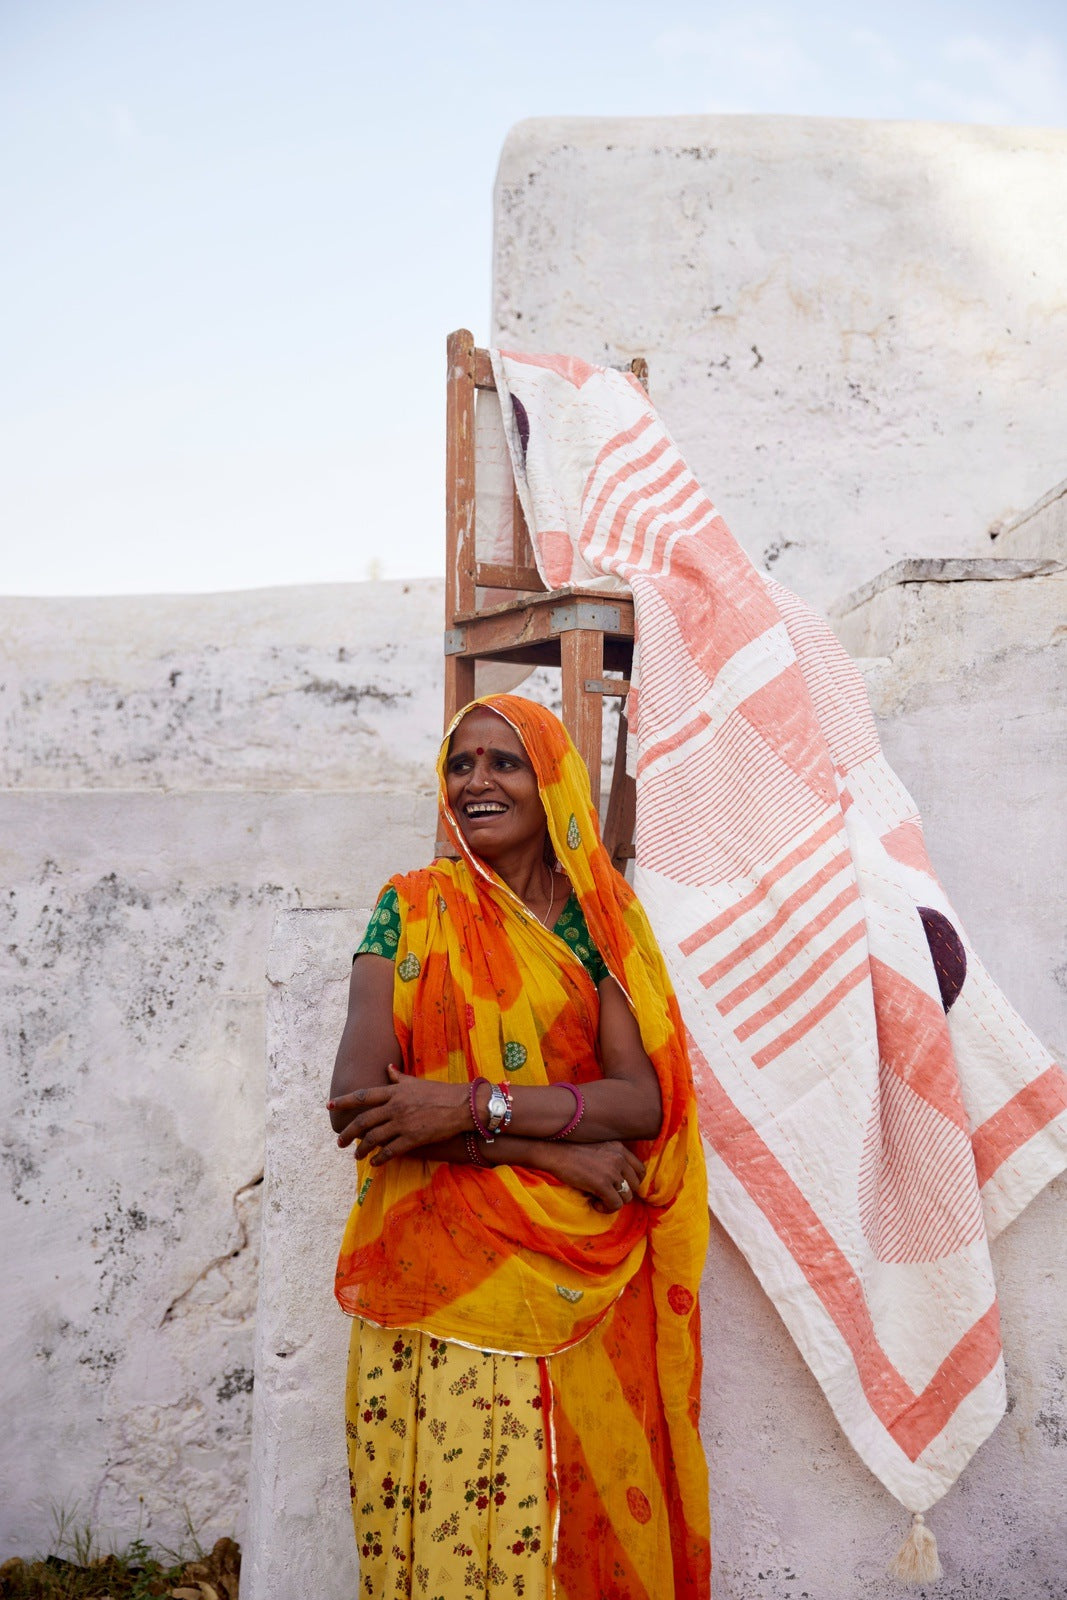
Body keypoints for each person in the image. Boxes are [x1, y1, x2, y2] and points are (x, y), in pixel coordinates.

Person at [329, 693, 711, 1600]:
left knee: (566, 1530)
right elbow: (360, 1104)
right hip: (432, 1276)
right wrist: (540, 1151)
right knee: (447, 1534)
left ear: (550, 783)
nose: (476, 781)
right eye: (461, 764)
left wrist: (464, 1105)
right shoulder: (408, 908)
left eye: (503, 762)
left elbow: (637, 1101)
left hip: (572, 1282)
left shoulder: (600, 923)